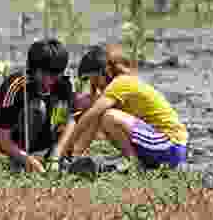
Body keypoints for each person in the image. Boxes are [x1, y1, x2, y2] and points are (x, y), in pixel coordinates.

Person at [59, 44, 188, 171]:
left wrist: (65, 148)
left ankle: (134, 165)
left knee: (107, 117)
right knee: (102, 116)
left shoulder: (120, 83)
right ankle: (75, 157)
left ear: (107, 71)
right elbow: (93, 122)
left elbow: (90, 116)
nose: (95, 85)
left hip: (170, 145)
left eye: (95, 79)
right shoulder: (118, 87)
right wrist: (76, 153)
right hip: (163, 145)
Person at [0, 39, 91, 173]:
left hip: (45, 136)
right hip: (14, 140)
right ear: (35, 69)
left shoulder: (63, 83)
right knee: (38, 107)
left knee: (76, 113)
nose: (52, 80)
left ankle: (52, 158)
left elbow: (71, 120)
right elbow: (3, 138)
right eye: (47, 74)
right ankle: (20, 160)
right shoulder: (16, 86)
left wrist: (56, 155)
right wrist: (26, 159)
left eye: (57, 74)